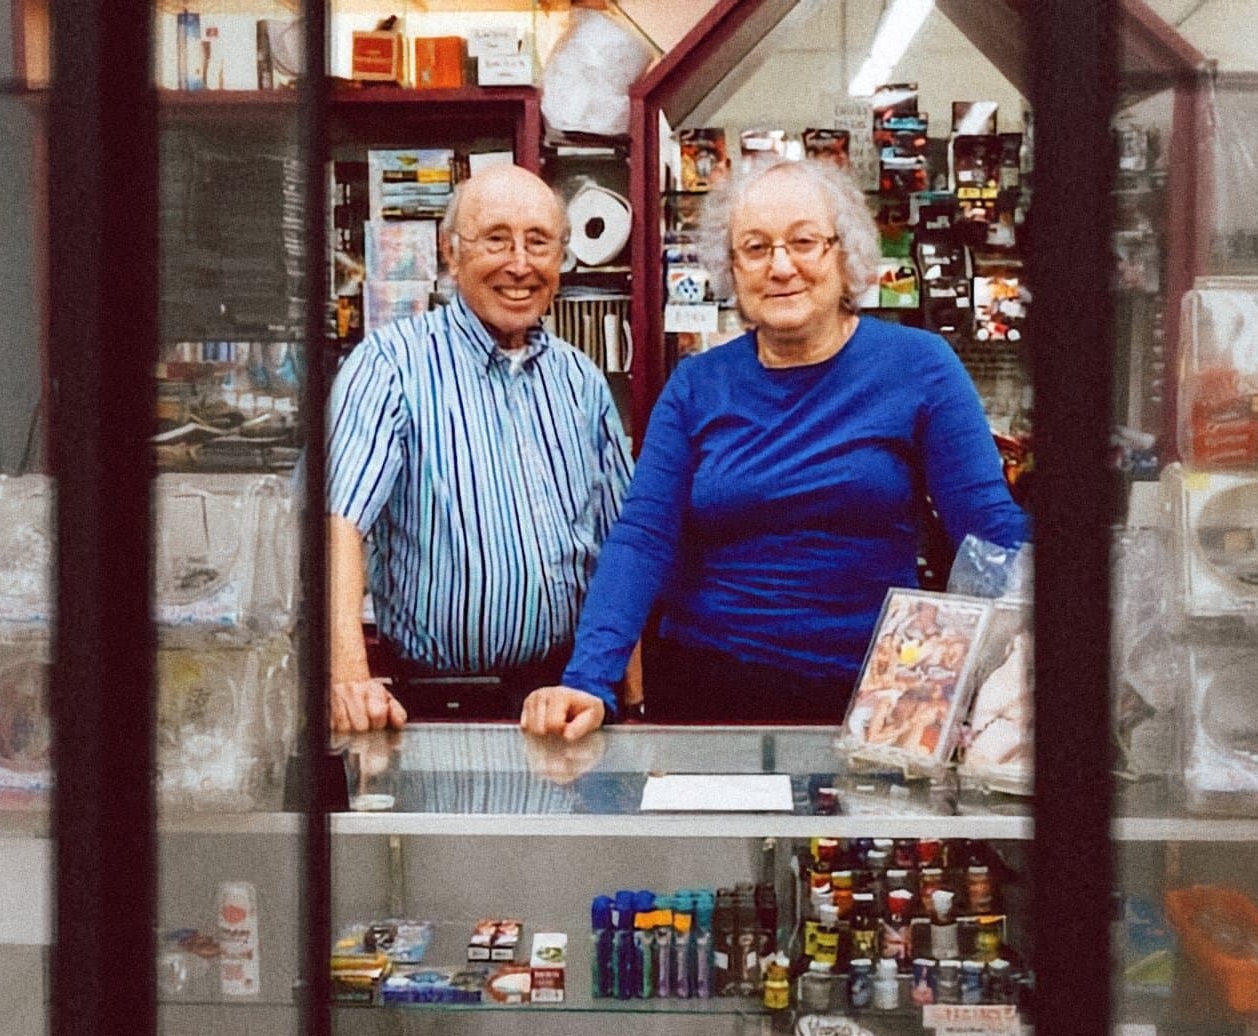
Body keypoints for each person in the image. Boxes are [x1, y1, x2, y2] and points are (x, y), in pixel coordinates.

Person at [522, 159, 1027, 740]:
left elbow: (988, 530)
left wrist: (1042, 641)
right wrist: (589, 679)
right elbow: (643, 535)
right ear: (732, 269)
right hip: (707, 688)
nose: (781, 266)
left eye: (804, 242)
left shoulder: (920, 367)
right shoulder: (696, 384)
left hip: (876, 695)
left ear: (845, 254)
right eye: (756, 248)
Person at [328, 164, 633, 732]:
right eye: (496, 239)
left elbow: (626, 547)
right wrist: (348, 674)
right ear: (452, 253)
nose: (520, 264)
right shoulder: (391, 364)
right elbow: (340, 522)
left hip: (565, 698)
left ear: (561, 260)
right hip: (436, 704)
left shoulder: (582, 381)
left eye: (539, 242)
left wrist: (632, 700)